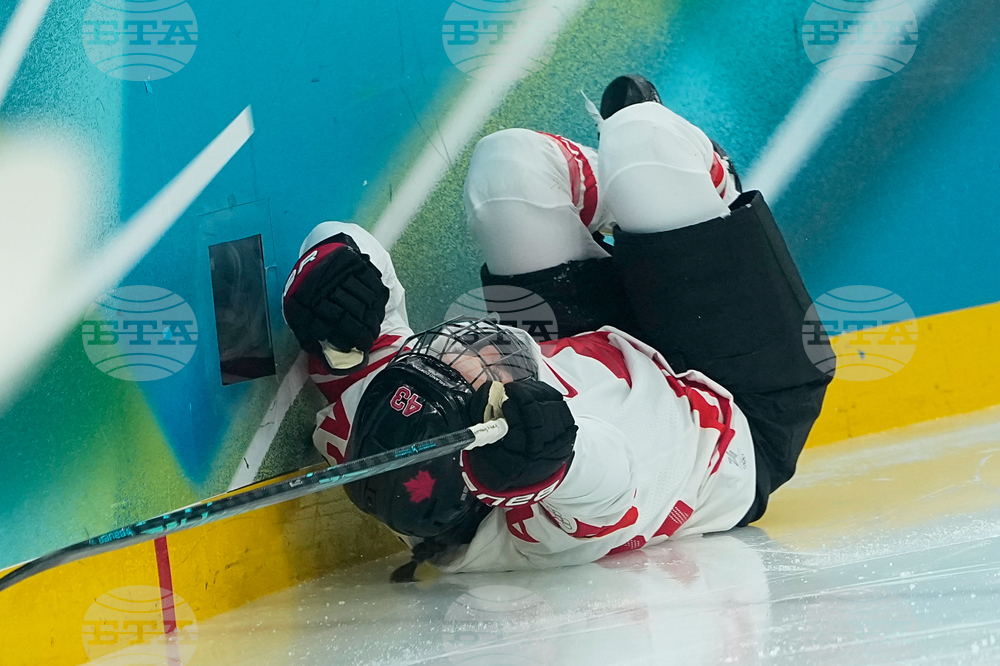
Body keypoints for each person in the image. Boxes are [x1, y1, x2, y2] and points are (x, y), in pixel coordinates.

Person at [281, 75, 833, 579]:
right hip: (736, 411)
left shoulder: (380, 434)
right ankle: (706, 189)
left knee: (508, 167)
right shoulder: (540, 519)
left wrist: (332, 282)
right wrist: (557, 457)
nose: (465, 349)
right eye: (467, 376)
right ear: (491, 460)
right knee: (645, 143)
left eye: (439, 360)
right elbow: (605, 483)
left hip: (597, 348)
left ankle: (638, 198)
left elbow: (341, 249)